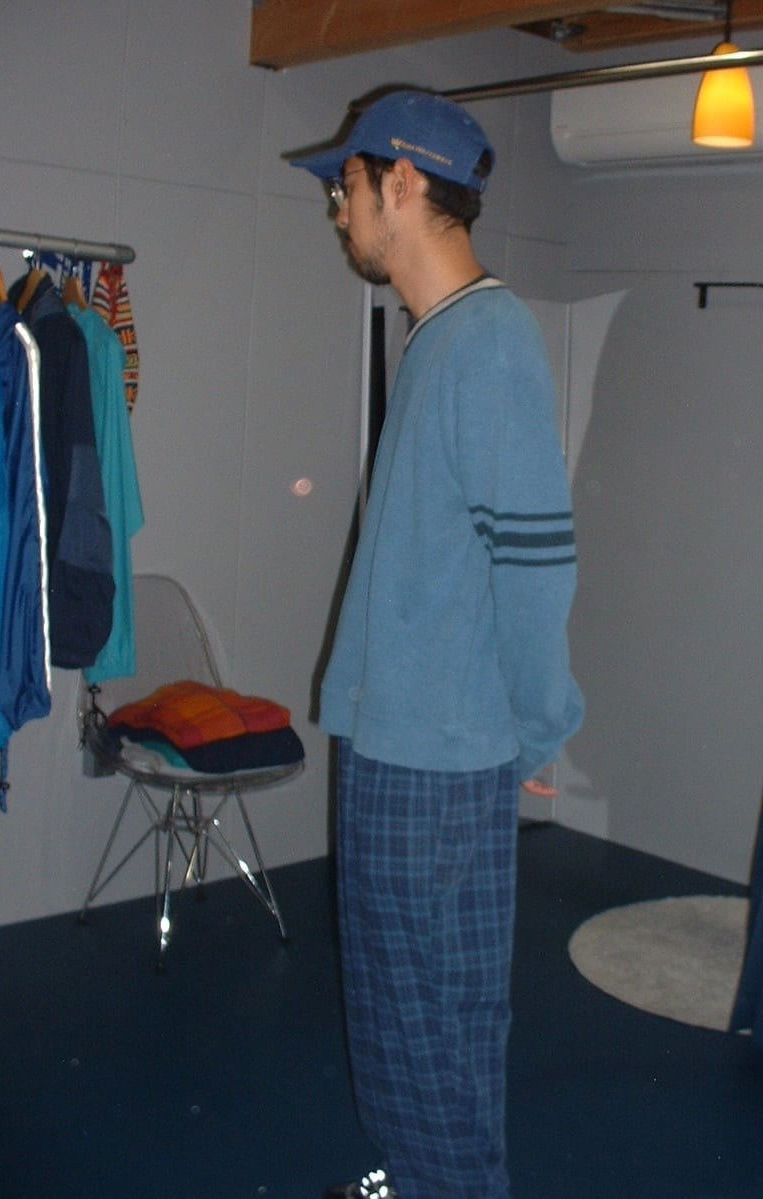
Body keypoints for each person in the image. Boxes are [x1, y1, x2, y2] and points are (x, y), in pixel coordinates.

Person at [291, 89, 584, 1199]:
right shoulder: (438, 339)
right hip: (390, 743)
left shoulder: (490, 345)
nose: (338, 211)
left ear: (402, 182)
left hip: (438, 762)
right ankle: (412, 1179)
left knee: (438, 1021)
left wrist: (537, 723)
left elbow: (535, 563)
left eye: (346, 187)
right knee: (389, 1011)